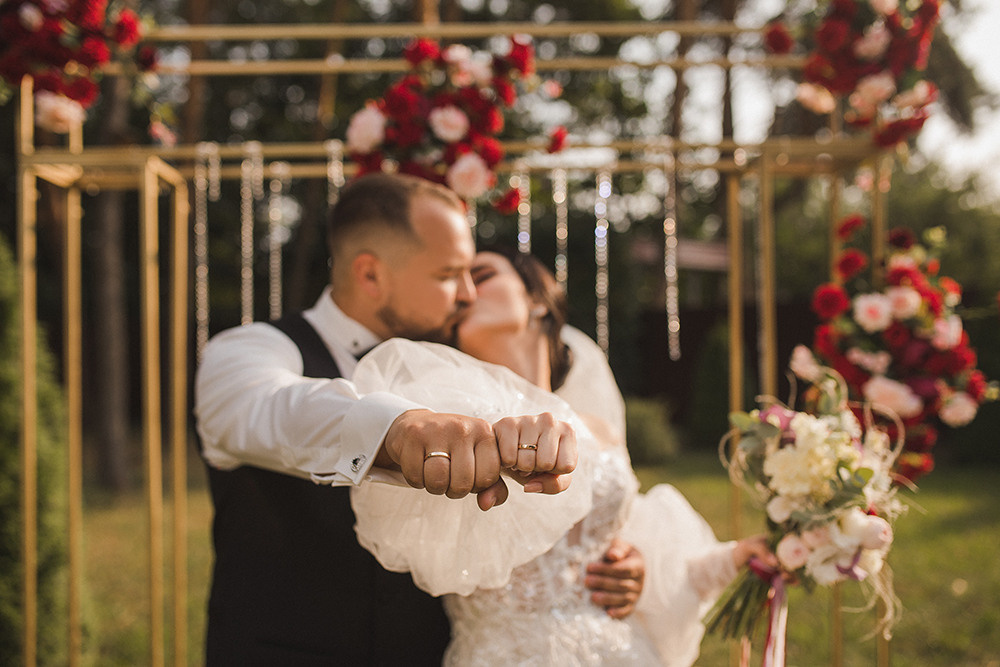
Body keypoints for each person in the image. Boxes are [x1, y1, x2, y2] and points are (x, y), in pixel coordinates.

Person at [193, 173, 644, 665]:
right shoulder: (252, 349)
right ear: (371, 275)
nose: (467, 294)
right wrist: (398, 427)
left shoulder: (468, 376)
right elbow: (265, 409)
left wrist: (620, 562)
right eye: (449, 274)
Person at [349, 247, 776, 666]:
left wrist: (658, 569)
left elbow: (640, 552)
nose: (463, 293)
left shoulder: (600, 430)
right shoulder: (443, 419)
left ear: (536, 300)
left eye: (481, 277)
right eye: (452, 284)